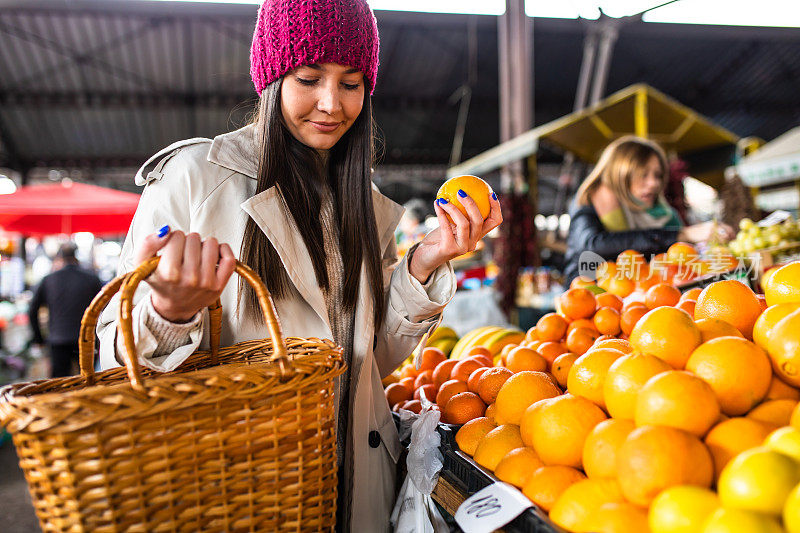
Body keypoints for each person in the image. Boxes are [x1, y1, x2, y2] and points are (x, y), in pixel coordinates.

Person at [96, 0, 502, 530]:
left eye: (352, 83)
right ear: (272, 77)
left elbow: (367, 367)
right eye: (309, 77)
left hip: (357, 497)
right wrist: (168, 315)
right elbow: (115, 373)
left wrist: (424, 263)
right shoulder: (195, 179)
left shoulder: (362, 202)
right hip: (242, 493)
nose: (331, 103)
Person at [564, 136, 734, 283]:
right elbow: (593, 245)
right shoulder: (589, 200)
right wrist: (683, 234)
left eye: (658, 175)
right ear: (620, 173)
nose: (654, 183)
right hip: (591, 301)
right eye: (643, 174)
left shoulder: (662, 213)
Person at [29, 242, 103, 377]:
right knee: (88, 382)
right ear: (76, 257)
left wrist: (38, 338)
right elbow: (105, 307)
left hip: (58, 340)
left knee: (59, 385)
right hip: (87, 339)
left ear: (59, 258)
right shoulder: (92, 279)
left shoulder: (48, 280)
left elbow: (33, 310)